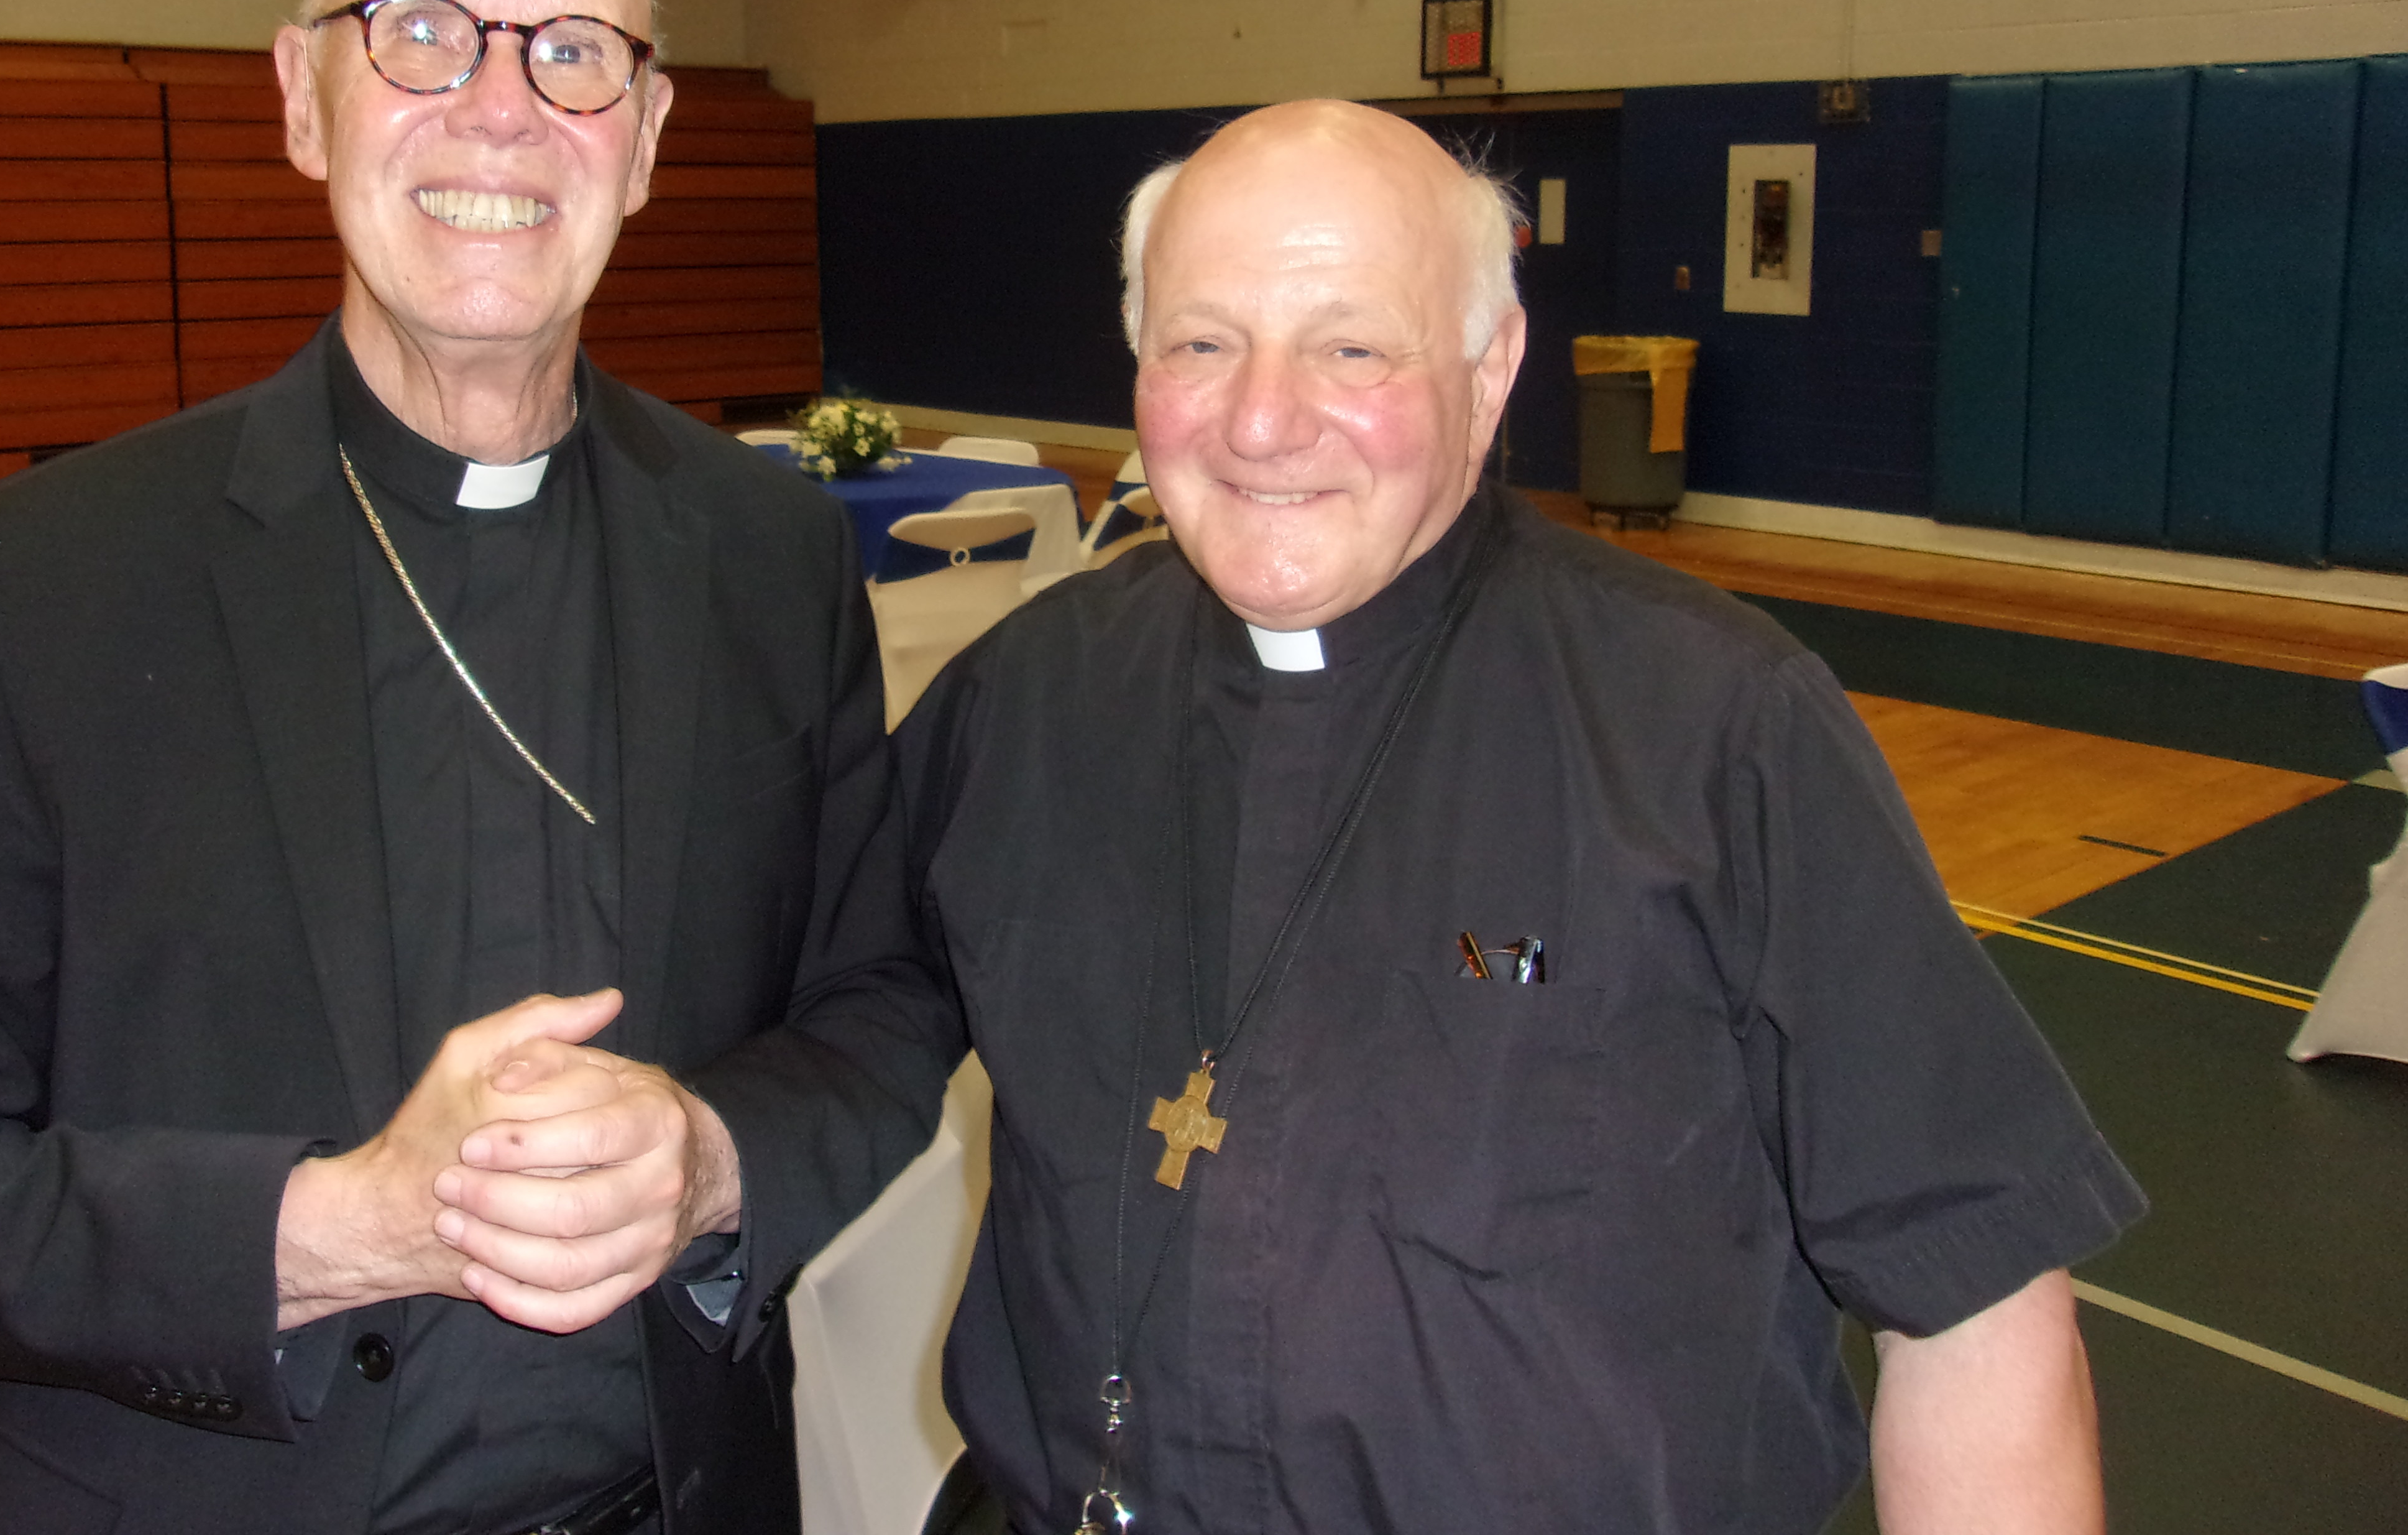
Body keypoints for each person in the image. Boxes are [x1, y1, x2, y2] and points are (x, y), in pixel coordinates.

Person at [0, 0, 954, 1535]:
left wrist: (713, 1156)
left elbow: (880, 1006)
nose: (500, 109)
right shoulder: (40, 584)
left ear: (648, 141)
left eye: (571, 53)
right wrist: (347, 1229)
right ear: (304, 99)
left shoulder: (768, 551)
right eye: (418, 33)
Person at [900, 100, 2143, 1534]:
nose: (1259, 419)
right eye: (1201, 342)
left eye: (1353, 347)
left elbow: (1975, 1297)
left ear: (1491, 375)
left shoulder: (1710, 728)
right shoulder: (1030, 696)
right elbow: (848, 1003)